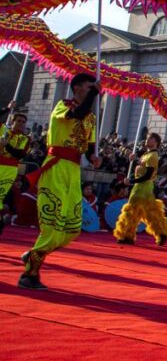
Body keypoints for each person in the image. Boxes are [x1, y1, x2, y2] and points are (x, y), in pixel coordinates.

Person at [19, 73, 102, 290]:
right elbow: (76, 114)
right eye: (88, 86)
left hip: (73, 171)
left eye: (93, 86)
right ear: (76, 88)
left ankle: (35, 254)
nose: (92, 89)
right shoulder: (62, 106)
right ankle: (29, 275)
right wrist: (94, 93)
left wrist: (94, 157)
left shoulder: (91, 117)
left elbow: (90, 144)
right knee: (52, 224)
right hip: (55, 167)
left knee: (72, 228)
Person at [112, 132, 167, 246]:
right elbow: (141, 170)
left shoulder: (153, 156)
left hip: (143, 186)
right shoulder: (147, 154)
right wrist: (134, 160)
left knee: (133, 210)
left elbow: (147, 175)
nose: (146, 140)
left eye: (149, 138)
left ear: (155, 142)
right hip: (141, 186)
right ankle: (160, 232)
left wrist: (131, 181)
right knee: (148, 211)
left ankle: (127, 235)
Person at [0, 103, 30, 236]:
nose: (21, 123)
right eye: (18, 121)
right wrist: (7, 108)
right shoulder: (3, 130)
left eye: (23, 122)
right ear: (12, 121)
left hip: (9, 168)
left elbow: (20, 154)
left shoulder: (25, 139)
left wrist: (7, 146)